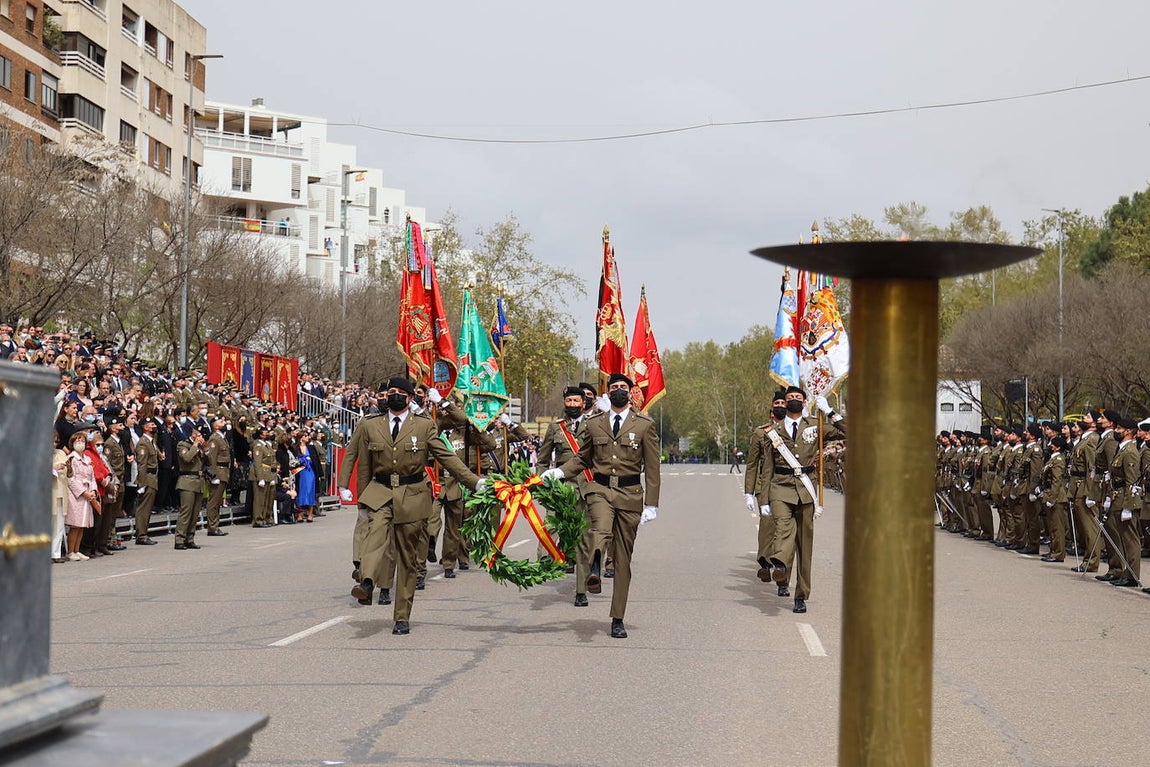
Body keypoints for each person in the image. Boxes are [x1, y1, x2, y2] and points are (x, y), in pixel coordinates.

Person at [338, 377, 487, 635]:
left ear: (409, 398)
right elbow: (354, 455)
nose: (393, 396)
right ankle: (368, 581)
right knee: (375, 534)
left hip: (413, 493)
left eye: (399, 393)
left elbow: (448, 458)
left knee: (408, 557)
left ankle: (402, 616)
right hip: (381, 490)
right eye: (389, 392)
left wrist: (474, 482)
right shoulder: (370, 425)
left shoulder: (425, 426)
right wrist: (346, 486)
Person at [543, 373, 660, 639]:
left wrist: (652, 503)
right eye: (614, 387)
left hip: (630, 494)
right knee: (599, 528)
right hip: (600, 489)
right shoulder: (594, 424)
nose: (619, 390)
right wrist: (560, 472)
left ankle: (617, 617)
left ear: (631, 393)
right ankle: (594, 566)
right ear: (608, 393)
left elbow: (653, 467)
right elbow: (582, 459)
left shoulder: (644, 424)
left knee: (622, 559)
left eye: (623, 387)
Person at [756, 386, 846, 614]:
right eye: (790, 398)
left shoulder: (815, 426)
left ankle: (801, 594)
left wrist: (831, 412)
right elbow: (767, 468)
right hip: (780, 487)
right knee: (783, 528)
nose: (794, 400)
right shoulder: (772, 431)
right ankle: (779, 563)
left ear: (804, 402)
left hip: (806, 489)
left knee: (805, 545)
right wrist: (763, 499)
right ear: (784, 403)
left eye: (798, 397)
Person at [538, 385, 596, 604]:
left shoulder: (593, 425)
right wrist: (543, 481)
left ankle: (581, 591)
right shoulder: (556, 428)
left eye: (576, 401)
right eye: (569, 401)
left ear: (583, 403)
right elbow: (543, 459)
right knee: (552, 526)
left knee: (584, 539)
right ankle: (547, 561)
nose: (572, 405)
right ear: (564, 403)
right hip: (562, 488)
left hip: (587, 487)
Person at [746, 390, 788, 595]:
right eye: (777, 403)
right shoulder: (761, 433)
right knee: (768, 528)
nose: (780, 406)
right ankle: (765, 563)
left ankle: (782, 579)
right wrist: (748, 491)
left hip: (789, 487)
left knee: (785, 532)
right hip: (765, 487)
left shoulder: (795, 432)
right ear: (771, 410)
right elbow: (752, 464)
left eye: (784, 402)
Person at [1103, 416, 1142, 587]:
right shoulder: (1122, 449)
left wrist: (1129, 506)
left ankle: (1132, 575)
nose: (1116, 431)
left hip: (1125, 500)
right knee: (1122, 538)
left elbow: (1132, 482)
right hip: (1117, 497)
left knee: (1130, 539)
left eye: (1119, 429)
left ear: (1128, 431)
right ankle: (1126, 572)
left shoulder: (1130, 452)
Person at [64, 430, 98, 561]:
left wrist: (93, 491)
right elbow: (70, 479)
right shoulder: (71, 458)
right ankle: (70, 551)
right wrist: (84, 492)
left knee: (82, 524)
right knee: (75, 524)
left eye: (82, 441)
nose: (80, 443)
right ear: (72, 443)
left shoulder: (88, 459)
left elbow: (92, 477)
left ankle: (77, 550)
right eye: (77, 441)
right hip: (76, 495)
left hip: (88, 492)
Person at [173, 423, 206, 550]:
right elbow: (186, 458)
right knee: (186, 512)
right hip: (187, 481)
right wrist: (195, 445)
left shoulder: (198, 447)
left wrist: (205, 449)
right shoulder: (183, 445)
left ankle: (190, 538)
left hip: (199, 481)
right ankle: (179, 539)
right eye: (196, 432)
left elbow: (207, 461)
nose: (198, 435)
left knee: (195, 513)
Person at [1040, 436, 1070, 562]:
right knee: (1052, 526)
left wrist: (1052, 498)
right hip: (1051, 494)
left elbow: (1056, 481)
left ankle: (1058, 553)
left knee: (1057, 527)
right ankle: (1053, 550)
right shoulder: (1053, 459)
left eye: (1052, 444)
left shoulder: (1058, 460)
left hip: (1057, 496)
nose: (1050, 446)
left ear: (1057, 447)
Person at [133, 417, 160, 545]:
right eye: (152, 424)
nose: (154, 426)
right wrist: (142, 483)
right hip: (147, 478)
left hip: (152, 477)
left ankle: (144, 532)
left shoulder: (151, 441)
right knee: (143, 508)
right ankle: (141, 535)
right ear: (145, 427)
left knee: (148, 508)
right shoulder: (143, 442)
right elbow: (142, 464)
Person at [204, 417, 232, 536]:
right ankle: (212, 527)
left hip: (224, 471)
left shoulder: (222, 437)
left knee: (218, 501)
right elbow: (212, 458)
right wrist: (213, 475)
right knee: (213, 502)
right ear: (215, 426)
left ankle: (215, 525)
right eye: (221, 422)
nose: (224, 423)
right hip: (218, 472)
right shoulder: (215, 439)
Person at [295, 432, 318, 522]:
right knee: (300, 491)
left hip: (310, 471)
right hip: (300, 472)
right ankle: (299, 514)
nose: (307, 437)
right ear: (301, 438)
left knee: (310, 491)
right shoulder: (296, 448)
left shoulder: (311, 448)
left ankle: (310, 513)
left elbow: (316, 460)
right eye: (305, 436)